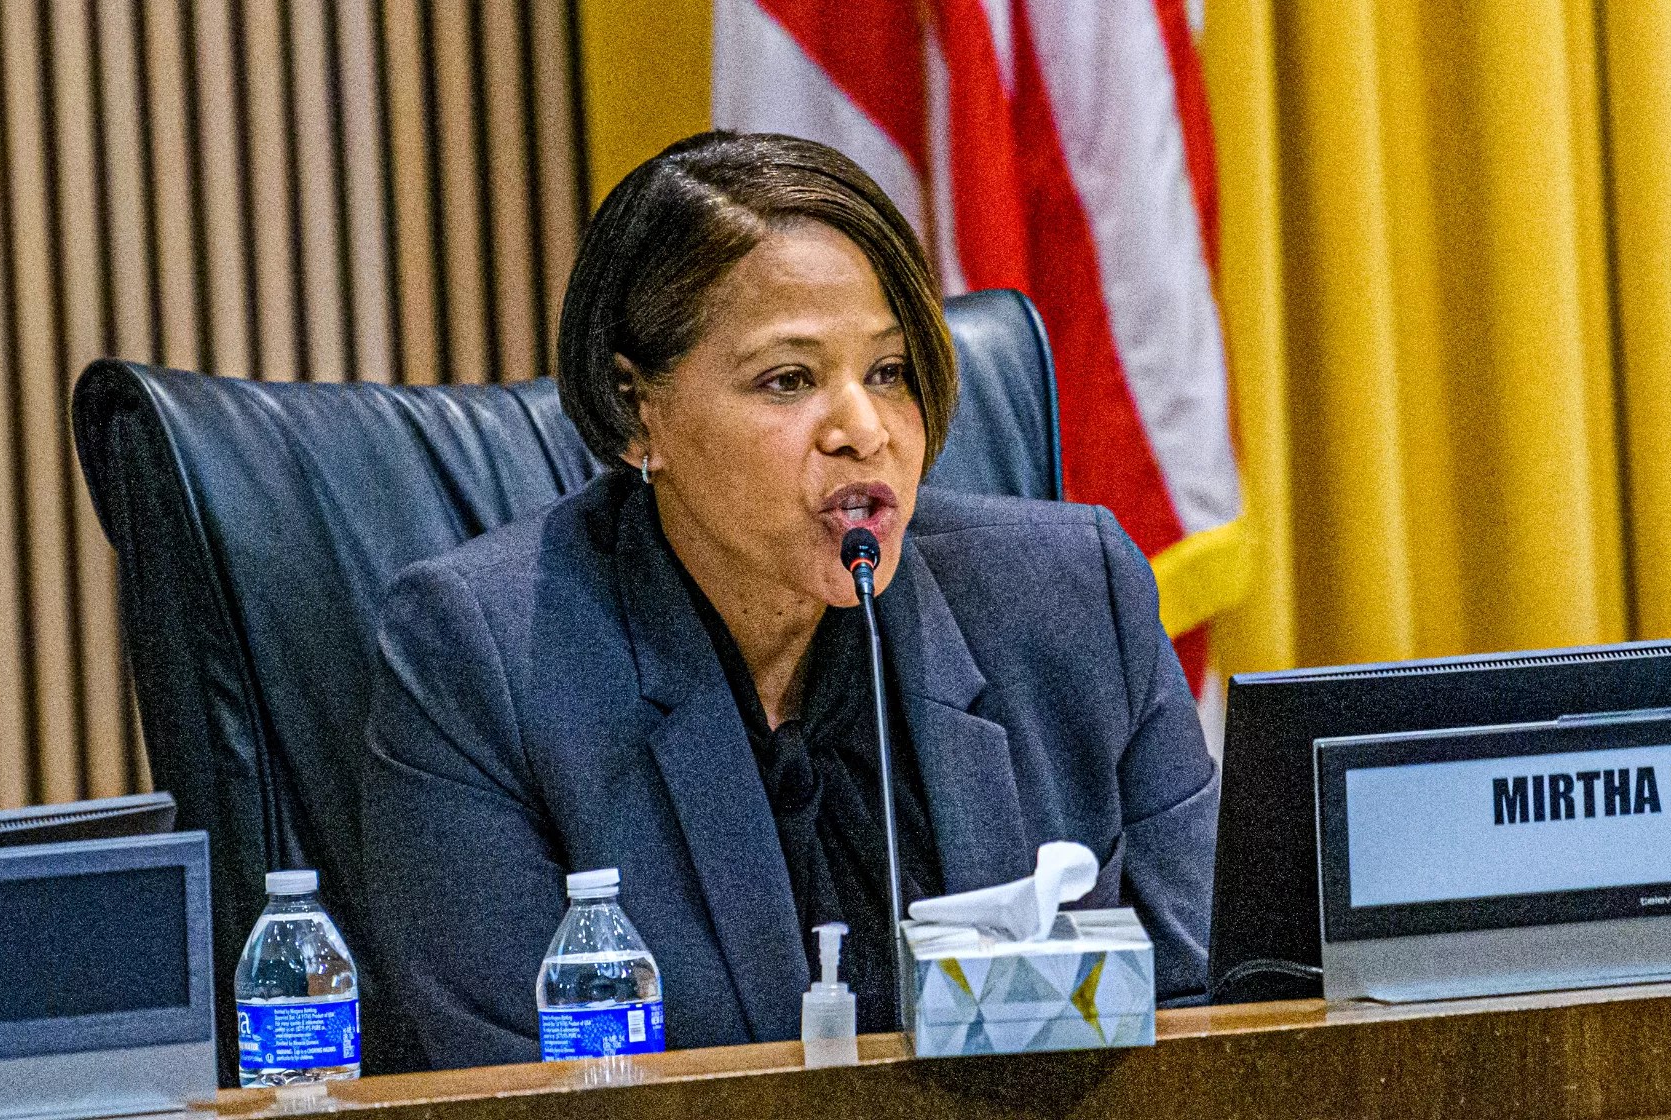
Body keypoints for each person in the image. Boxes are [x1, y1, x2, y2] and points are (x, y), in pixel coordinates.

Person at [361, 130, 1218, 1071]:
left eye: (889, 373)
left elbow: (1221, 1020)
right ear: (636, 410)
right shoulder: (483, 662)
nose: (864, 429)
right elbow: (528, 1094)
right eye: (790, 380)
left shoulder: (1072, 601)